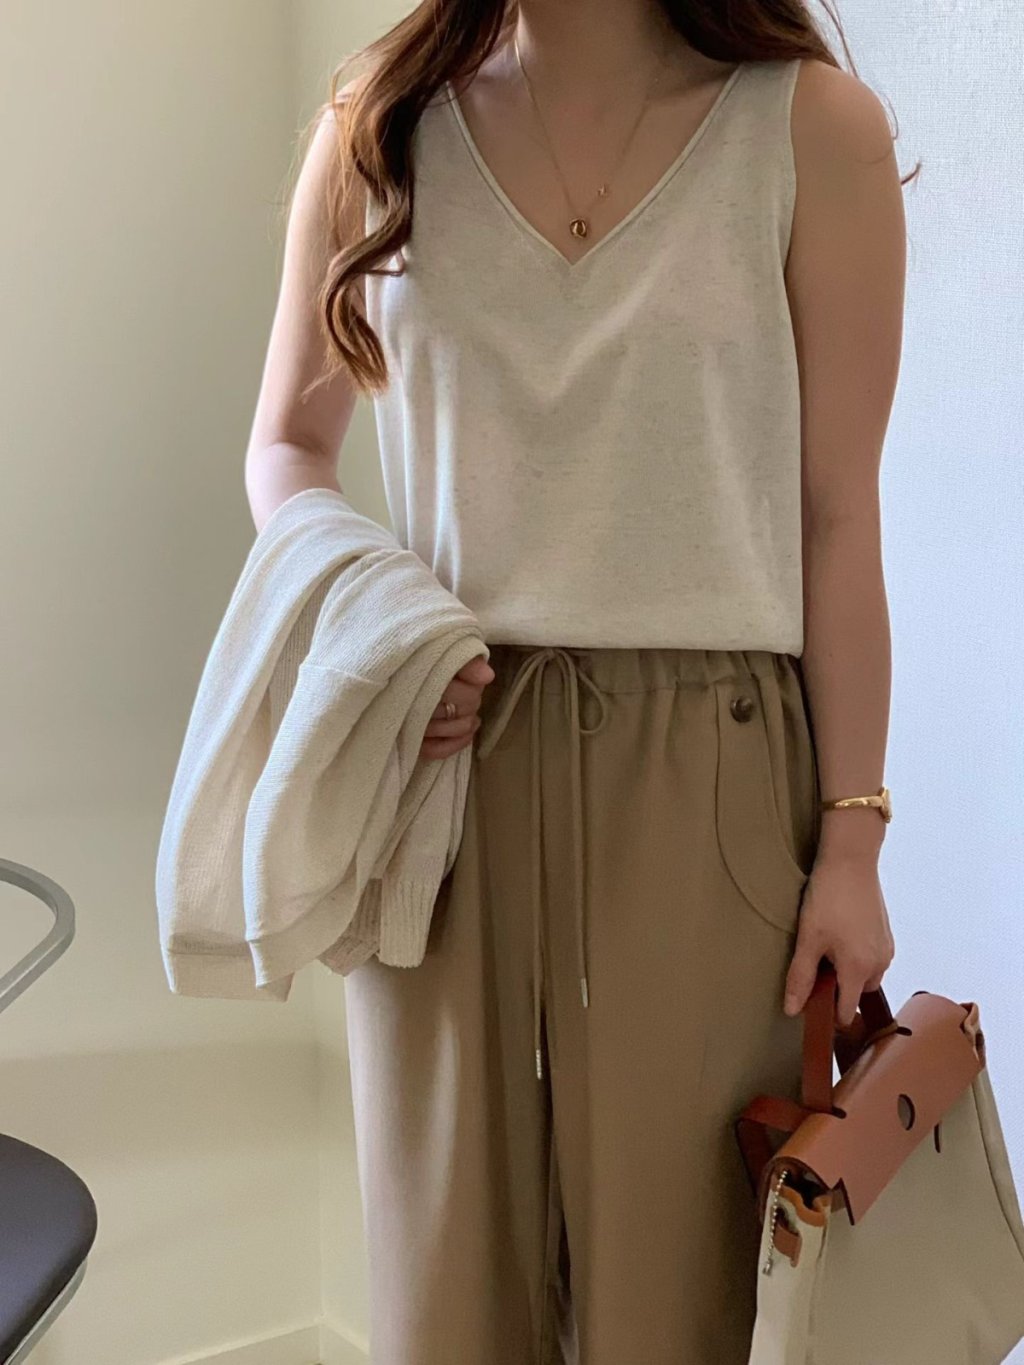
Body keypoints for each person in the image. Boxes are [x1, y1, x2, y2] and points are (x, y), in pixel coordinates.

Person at [245, 1, 909, 1359]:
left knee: (687, 1302)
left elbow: (839, 514)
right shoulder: (378, 131)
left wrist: (854, 840)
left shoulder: (806, 133)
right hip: (441, 762)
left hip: (710, 771)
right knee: (445, 1291)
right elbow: (285, 450)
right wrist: (375, 622)